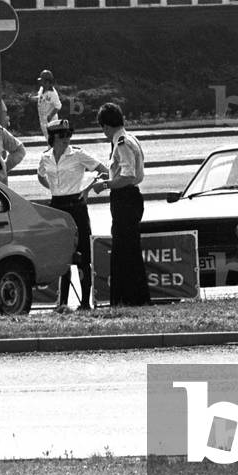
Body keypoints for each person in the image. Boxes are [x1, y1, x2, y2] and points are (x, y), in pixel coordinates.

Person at [37, 118, 106, 312]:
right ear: (53, 137)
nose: (66, 139)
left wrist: (88, 188)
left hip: (76, 205)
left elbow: (103, 171)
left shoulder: (77, 154)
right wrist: (52, 188)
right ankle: (63, 302)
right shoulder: (46, 157)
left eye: (69, 135)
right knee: (62, 254)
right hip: (57, 205)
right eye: (62, 135)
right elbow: (41, 175)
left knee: (83, 254)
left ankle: (85, 302)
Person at [93, 102, 151, 307]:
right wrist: (108, 175)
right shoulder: (129, 138)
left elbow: (128, 176)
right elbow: (123, 171)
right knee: (128, 249)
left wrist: (106, 184)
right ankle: (133, 297)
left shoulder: (122, 143)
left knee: (124, 250)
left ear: (106, 126)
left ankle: (126, 298)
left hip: (125, 198)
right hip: (128, 198)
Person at [33, 69, 62, 137]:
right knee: (48, 140)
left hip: (50, 121)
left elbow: (58, 106)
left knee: (53, 141)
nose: (41, 83)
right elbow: (40, 97)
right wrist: (32, 98)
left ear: (48, 82)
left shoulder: (52, 93)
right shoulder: (42, 89)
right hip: (42, 119)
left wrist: (50, 116)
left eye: (42, 81)